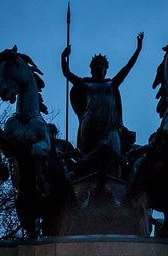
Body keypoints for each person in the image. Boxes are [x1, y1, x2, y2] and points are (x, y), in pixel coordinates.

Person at [61, 32, 144, 176]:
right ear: (91, 69)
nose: (100, 68)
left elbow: (127, 67)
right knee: (88, 157)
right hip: (90, 124)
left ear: (106, 70)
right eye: (96, 65)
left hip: (110, 125)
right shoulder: (86, 84)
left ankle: (116, 184)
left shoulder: (112, 84)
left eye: (102, 66)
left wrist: (138, 49)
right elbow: (67, 74)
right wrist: (63, 57)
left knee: (115, 154)